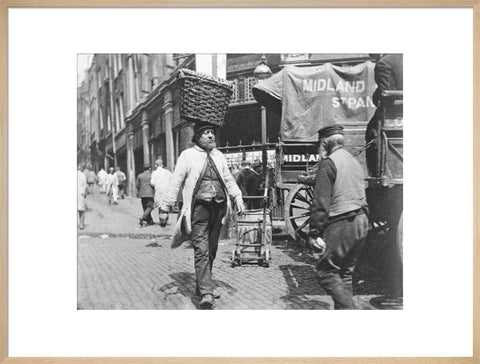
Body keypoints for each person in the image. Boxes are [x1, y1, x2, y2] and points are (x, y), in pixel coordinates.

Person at [158, 121, 245, 309]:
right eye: (206, 133)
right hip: (198, 209)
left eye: (212, 132)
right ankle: (206, 292)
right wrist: (165, 207)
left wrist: (237, 197)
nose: (210, 136)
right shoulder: (187, 155)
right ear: (197, 137)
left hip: (219, 208)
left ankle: (201, 284)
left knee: (212, 248)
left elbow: (228, 179)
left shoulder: (219, 156)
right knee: (201, 249)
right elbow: (176, 181)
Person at [308, 125, 369, 309]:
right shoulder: (353, 161)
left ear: (325, 143)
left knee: (326, 272)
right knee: (345, 274)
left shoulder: (328, 163)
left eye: (319, 145)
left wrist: (314, 232)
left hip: (342, 221)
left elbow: (321, 203)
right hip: (362, 219)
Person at [365, 54, 403, 177]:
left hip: (394, 113)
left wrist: (376, 96)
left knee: (371, 131)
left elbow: (385, 93)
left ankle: (377, 172)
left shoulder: (384, 63)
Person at [150, 158, 172, 227]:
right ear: (162, 165)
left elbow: (152, 183)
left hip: (158, 191)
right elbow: (172, 180)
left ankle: (161, 220)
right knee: (166, 204)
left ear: (156, 165)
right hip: (167, 190)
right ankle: (166, 217)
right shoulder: (168, 172)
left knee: (159, 205)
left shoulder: (154, 173)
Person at [77, 165, 88, 230]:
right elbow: (85, 185)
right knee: (81, 210)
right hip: (80, 194)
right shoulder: (82, 175)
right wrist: (85, 194)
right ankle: (81, 224)